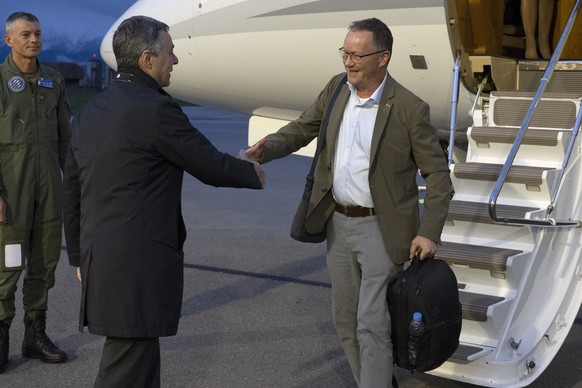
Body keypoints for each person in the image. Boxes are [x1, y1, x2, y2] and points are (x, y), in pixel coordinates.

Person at [245, 18, 452, 388]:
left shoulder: (408, 107)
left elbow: (438, 177)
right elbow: (304, 127)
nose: (349, 62)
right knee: (345, 321)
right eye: (345, 52)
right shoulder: (337, 89)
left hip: (382, 229)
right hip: (337, 224)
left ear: (383, 57)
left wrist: (428, 232)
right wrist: (268, 148)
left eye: (358, 55)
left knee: (371, 323)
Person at [61, 15, 265, 388]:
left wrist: (77, 256)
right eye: (170, 52)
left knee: (139, 362)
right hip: (135, 269)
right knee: (124, 368)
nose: (175, 60)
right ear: (146, 59)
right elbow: (208, 164)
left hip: (102, 262)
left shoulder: (87, 114)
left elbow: (71, 191)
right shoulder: (155, 109)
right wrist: (251, 172)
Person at [0, 12, 70, 373]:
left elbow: (65, 143)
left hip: (49, 193)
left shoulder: (53, 81)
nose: (34, 40)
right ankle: (0, 337)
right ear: (8, 39)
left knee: (44, 264)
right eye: (26, 34)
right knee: (8, 264)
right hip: (11, 194)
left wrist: (72, 186)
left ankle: (35, 335)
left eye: (38, 33)